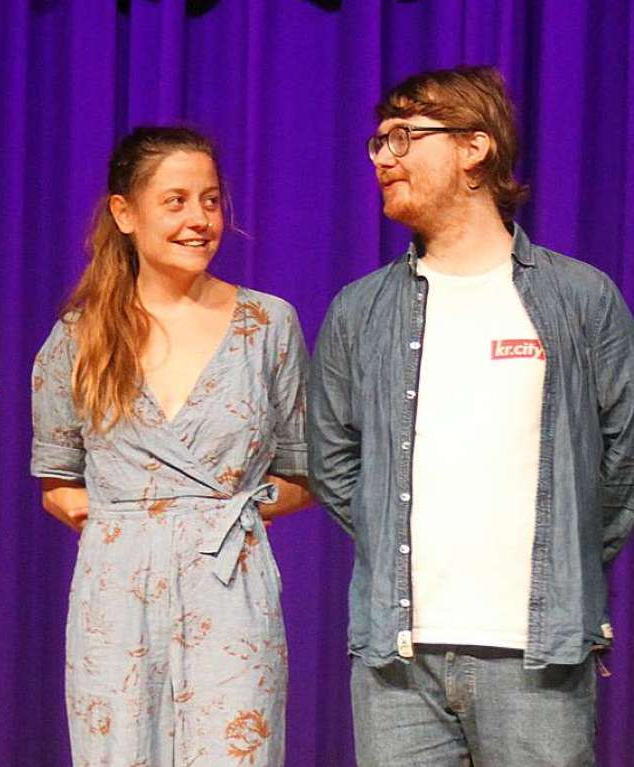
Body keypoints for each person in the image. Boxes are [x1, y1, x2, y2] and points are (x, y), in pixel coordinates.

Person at [308, 65, 634, 766]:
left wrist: (569, 555)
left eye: (402, 136)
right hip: (396, 662)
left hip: (536, 656)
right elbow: (332, 463)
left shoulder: (580, 297)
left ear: (473, 147)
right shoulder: (358, 310)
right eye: (377, 141)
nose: (383, 157)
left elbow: (622, 460)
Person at [31, 126, 313, 765]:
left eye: (210, 201)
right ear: (124, 213)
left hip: (229, 586)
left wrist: (218, 515)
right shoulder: (79, 336)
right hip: (117, 595)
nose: (199, 220)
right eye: (177, 201)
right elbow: (57, 479)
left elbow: (302, 474)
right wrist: (126, 525)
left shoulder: (268, 324)